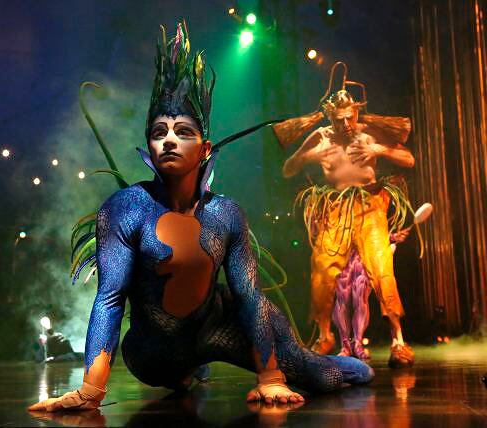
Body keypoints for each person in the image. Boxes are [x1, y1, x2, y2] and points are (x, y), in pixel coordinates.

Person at [29, 24, 373, 413]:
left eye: (183, 132)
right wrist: (90, 390)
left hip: (218, 328)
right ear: (149, 146)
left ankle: (342, 365)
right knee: (168, 372)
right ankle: (194, 368)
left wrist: (271, 378)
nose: (169, 140)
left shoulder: (225, 213)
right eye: (159, 132)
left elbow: (249, 296)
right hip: (152, 354)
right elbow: (109, 299)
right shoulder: (125, 209)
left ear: (205, 148)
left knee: (325, 378)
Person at [279, 82, 416, 368]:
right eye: (339, 119)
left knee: (382, 269)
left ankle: (398, 340)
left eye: (349, 118)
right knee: (322, 270)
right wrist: (309, 157)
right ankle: (324, 336)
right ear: (330, 115)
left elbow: (409, 159)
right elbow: (288, 169)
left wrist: (379, 149)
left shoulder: (368, 133)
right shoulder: (320, 137)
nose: (345, 124)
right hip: (335, 209)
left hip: (370, 206)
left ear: (356, 112)